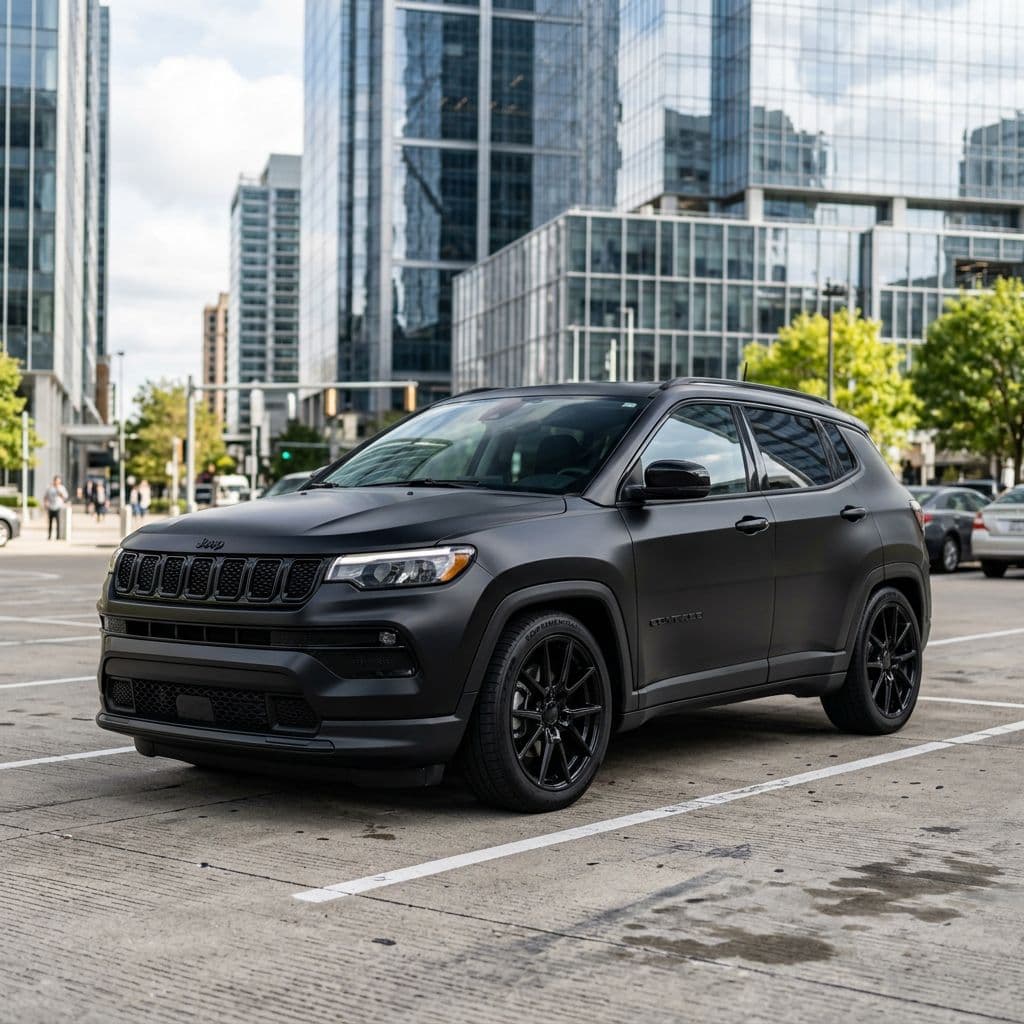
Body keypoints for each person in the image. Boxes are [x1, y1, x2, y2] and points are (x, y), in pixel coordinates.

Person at [44, 475, 68, 540]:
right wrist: (46, 504)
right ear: (54, 481)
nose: (57, 482)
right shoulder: (49, 488)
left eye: (58, 481)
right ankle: (49, 536)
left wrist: (58, 490)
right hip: (50, 507)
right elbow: (45, 496)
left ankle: (58, 536)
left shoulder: (62, 488)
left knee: (58, 523)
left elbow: (65, 497)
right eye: (56, 480)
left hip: (58, 507)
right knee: (50, 523)